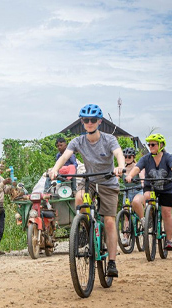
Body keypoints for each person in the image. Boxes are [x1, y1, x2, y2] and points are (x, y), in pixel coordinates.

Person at [49, 104, 125, 277]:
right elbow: (65, 156)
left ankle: (112, 262)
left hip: (108, 181)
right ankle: (85, 229)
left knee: (110, 221)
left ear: (99, 121)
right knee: (79, 198)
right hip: (89, 180)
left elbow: (118, 153)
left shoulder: (109, 139)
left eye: (92, 120)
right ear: (82, 122)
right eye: (86, 120)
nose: (89, 123)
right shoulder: (77, 141)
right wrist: (55, 169)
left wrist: (120, 167)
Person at [125, 134, 172, 251]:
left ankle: (168, 240)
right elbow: (137, 168)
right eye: (149, 144)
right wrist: (130, 175)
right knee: (146, 196)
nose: (150, 147)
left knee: (167, 213)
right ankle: (149, 217)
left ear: (160, 145)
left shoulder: (168, 157)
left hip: (166, 189)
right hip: (150, 187)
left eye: (153, 144)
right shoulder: (146, 158)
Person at [119, 147, 145, 246]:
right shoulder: (122, 168)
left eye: (129, 156)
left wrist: (142, 183)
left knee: (136, 202)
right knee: (126, 214)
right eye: (125, 156)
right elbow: (116, 177)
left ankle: (143, 220)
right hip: (127, 192)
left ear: (133, 157)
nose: (127, 158)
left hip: (138, 191)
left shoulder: (137, 166)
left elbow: (142, 176)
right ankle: (125, 237)